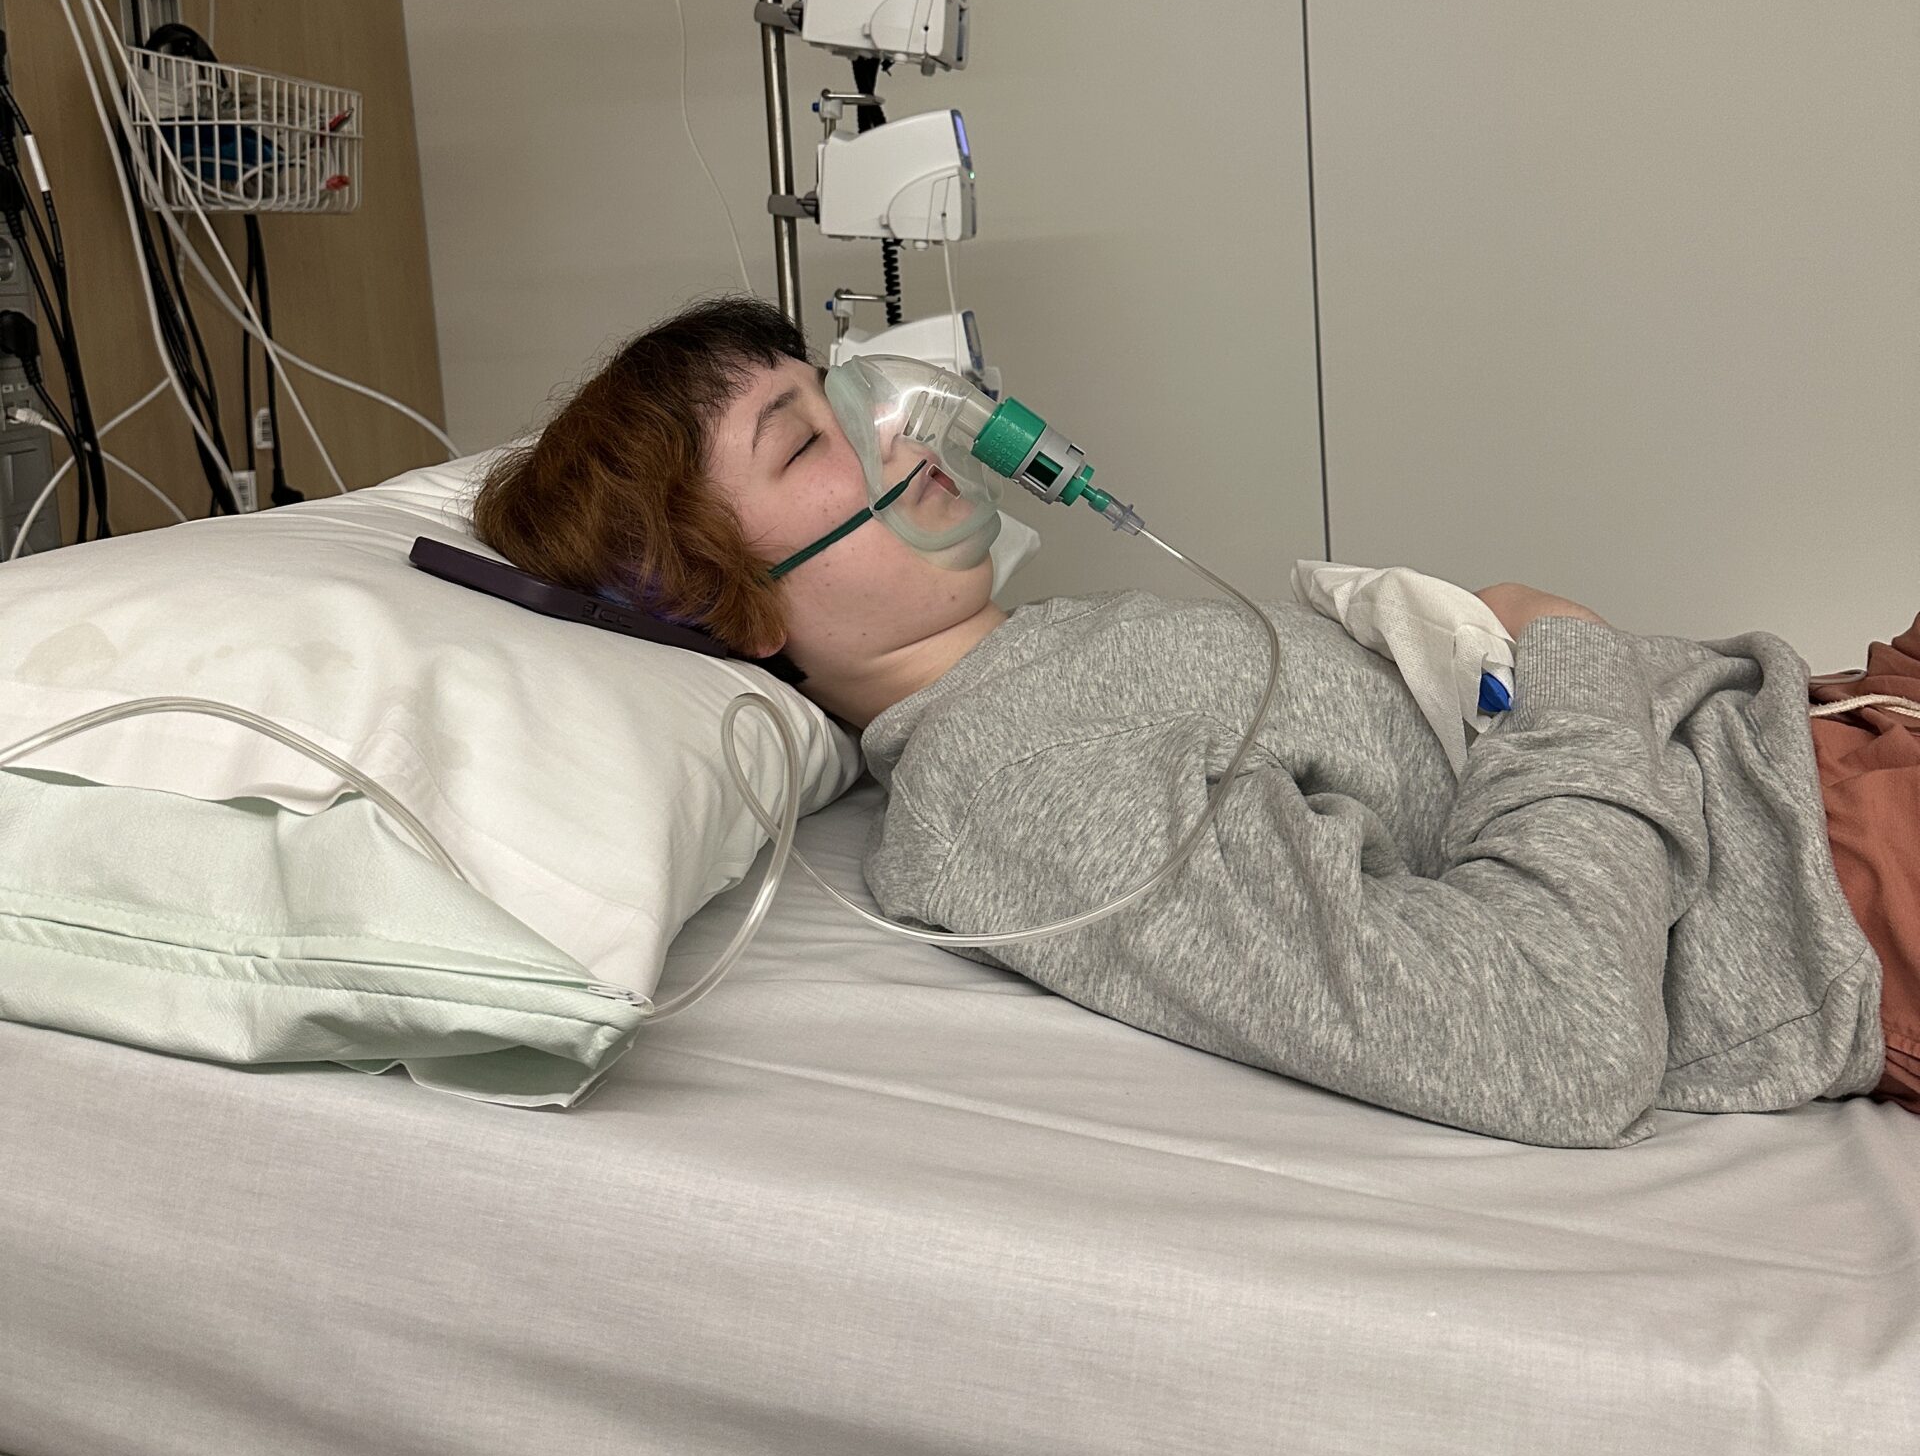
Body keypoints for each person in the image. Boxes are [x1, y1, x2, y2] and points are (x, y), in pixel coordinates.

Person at [475, 296, 1920, 1148]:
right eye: (807, 439)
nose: (895, 422)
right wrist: (1574, 661)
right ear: (735, 609)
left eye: (846, 385)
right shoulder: (1009, 782)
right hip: (1834, 869)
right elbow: (1557, 1034)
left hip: (1820, 729)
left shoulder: (1050, 660)